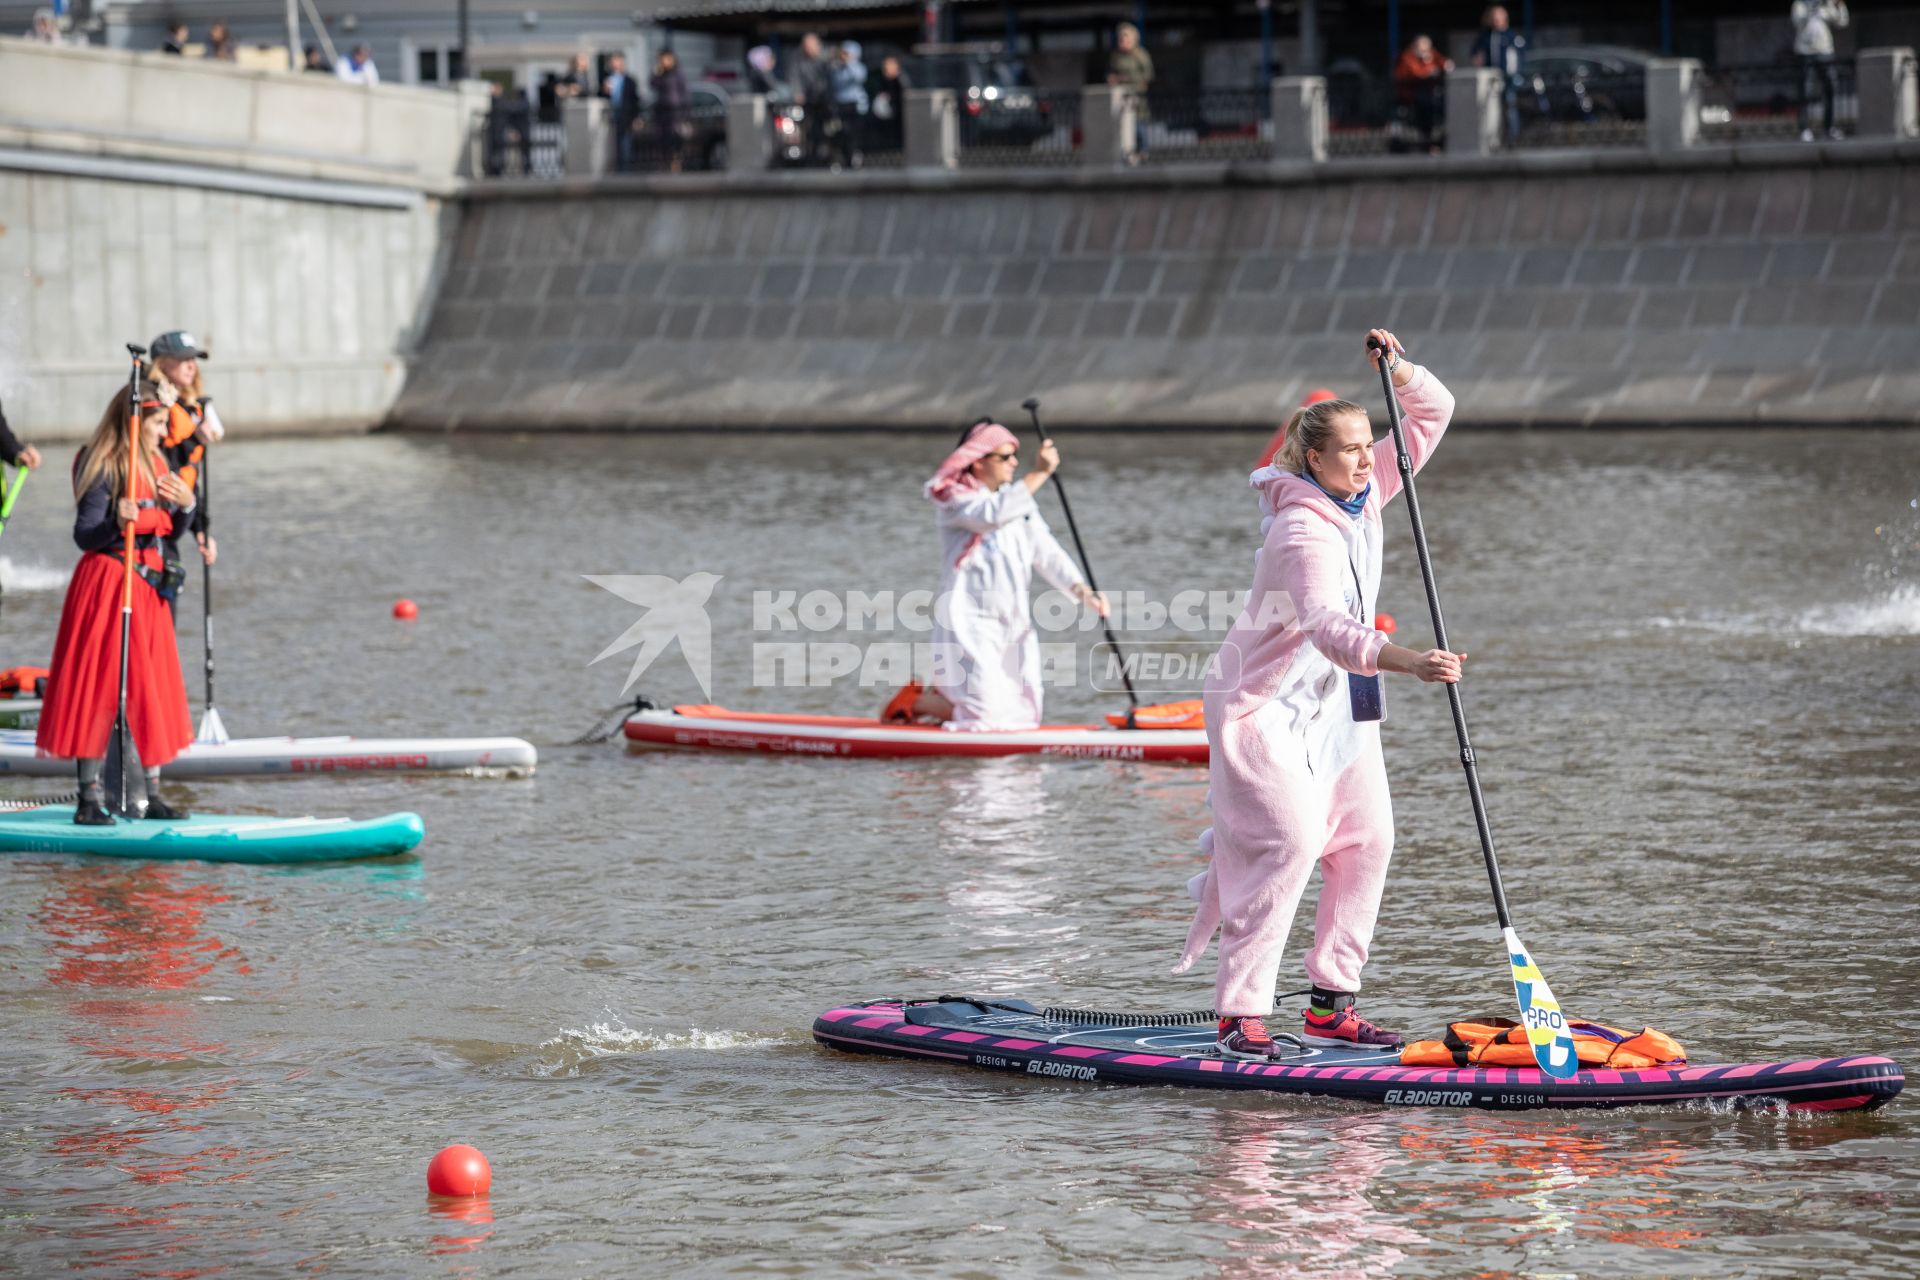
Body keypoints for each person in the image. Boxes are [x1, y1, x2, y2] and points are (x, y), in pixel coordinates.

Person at [1174, 329, 1463, 1061]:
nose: (1370, 457)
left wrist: (1398, 370)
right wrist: (1408, 661)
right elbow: (1329, 627)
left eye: (1372, 443)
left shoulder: (1367, 495)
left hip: (1337, 703)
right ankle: (1240, 1015)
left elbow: (1434, 413)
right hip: (1260, 706)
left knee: (1368, 841)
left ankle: (1332, 1005)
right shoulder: (1303, 528)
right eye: (1353, 449)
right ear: (1314, 459)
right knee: (1290, 843)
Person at [36, 384, 197, 825]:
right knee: (98, 687)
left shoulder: (161, 462)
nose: (165, 432)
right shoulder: (103, 465)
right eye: (158, 423)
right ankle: (88, 799)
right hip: (108, 585)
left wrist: (187, 506)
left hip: (149, 590)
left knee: (152, 687)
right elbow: (84, 535)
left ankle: (154, 794)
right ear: (134, 421)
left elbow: (170, 530)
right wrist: (114, 521)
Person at [907, 420, 1107, 731]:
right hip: (969, 621)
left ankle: (948, 704)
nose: (1014, 463)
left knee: (1024, 715)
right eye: (1004, 457)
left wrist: (1083, 591)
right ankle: (915, 702)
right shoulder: (955, 501)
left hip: (1015, 621)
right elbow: (991, 515)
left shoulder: (1019, 505)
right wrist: (1040, 473)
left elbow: (1046, 552)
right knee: (982, 718)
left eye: (1015, 456)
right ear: (978, 461)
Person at [144, 331, 221, 606]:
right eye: (183, 360)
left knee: (167, 609)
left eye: (194, 360)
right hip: (151, 524)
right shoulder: (150, 403)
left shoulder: (188, 406)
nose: (192, 366)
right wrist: (193, 440)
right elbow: (162, 462)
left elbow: (190, 473)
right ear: (162, 363)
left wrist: (201, 527)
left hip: (176, 519)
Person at [1792, 1, 1851, 141]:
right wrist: (1813, 7)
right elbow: (1798, 21)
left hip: (1825, 51)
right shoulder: (1800, 4)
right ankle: (1804, 129)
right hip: (1805, 52)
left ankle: (1829, 127)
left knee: (1831, 88)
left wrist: (1839, 5)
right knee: (1805, 91)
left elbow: (1842, 21)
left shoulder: (1829, 4)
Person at [1470, 5, 1526, 143]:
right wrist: (1477, 59)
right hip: (1490, 78)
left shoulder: (1511, 36)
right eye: (1493, 17)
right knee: (1490, 109)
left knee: (1510, 107)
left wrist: (1516, 75)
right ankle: (1492, 139)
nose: (1496, 20)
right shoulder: (1485, 36)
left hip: (1508, 78)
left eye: (1499, 17)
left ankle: (1513, 138)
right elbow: (1475, 53)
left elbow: (1520, 57)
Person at [1394, 35, 1451, 153]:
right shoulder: (1407, 57)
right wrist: (1428, 69)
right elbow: (1415, 73)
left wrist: (1444, 65)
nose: (1425, 50)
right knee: (1425, 108)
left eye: (1427, 47)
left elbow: (1444, 63)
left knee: (1441, 106)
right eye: (1422, 47)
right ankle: (1427, 142)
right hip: (1411, 96)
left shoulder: (1431, 55)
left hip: (1431, 95)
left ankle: (1440, 139)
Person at [1108, 22, 1154, 156]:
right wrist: (1113, 79)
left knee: (1139, 126)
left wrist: (1126, 78)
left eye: (1126, 37)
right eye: (1120, 38)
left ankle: (1143, 152)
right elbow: (1111, 71)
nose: (1122, 41)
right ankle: (1126, 153)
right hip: (1120, 97)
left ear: (1134, 39)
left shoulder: (1140, 55)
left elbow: (1148, 75)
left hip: (1137, 97)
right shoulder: (1116, 57)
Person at [793, 33, 833, 166]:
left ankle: (829, 158)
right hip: (810, 103)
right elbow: (796, 78)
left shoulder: (825, 59)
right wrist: (798, 93)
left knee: (828, 131)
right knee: (810, 132)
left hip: (826, 102)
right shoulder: (800, 61)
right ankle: (812, 159)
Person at [828, 41, 869, 168]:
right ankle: (844, 157)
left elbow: (859, 77)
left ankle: (855, 157)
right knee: (842, 132)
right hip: (841, 105)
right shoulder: (836, 68)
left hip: (855, 105)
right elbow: (834, 85)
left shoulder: (858, 67)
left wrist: (849, 62)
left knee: (854, 133)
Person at [648, 50, 691, 173]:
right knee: (661, 142)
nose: (663, 62)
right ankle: (663, 166)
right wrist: (656, 72)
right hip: (662, 114)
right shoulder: (660, 75)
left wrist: (685, 116)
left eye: (666, 59)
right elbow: (652, 84)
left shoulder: (678, 74)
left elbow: (685, 94)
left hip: (676, 114)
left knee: (675, 142)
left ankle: (675, 166)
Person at [600, 53, 641, 171]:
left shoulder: (629, 80)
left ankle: (625, 171)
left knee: (625, 145)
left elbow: (635, 100)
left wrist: (636, 118)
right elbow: (600, 97)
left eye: (617, 61)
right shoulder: (606, 79)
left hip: (625, 117)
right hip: (610, 117)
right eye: (613, 62)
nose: (615, 64)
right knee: (610, 146)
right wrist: (604, 90)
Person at [870, 55, 908, 152]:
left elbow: (905, 95)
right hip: (887, 112)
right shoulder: (883, 80)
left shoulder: (900, 79)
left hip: (900, 113)